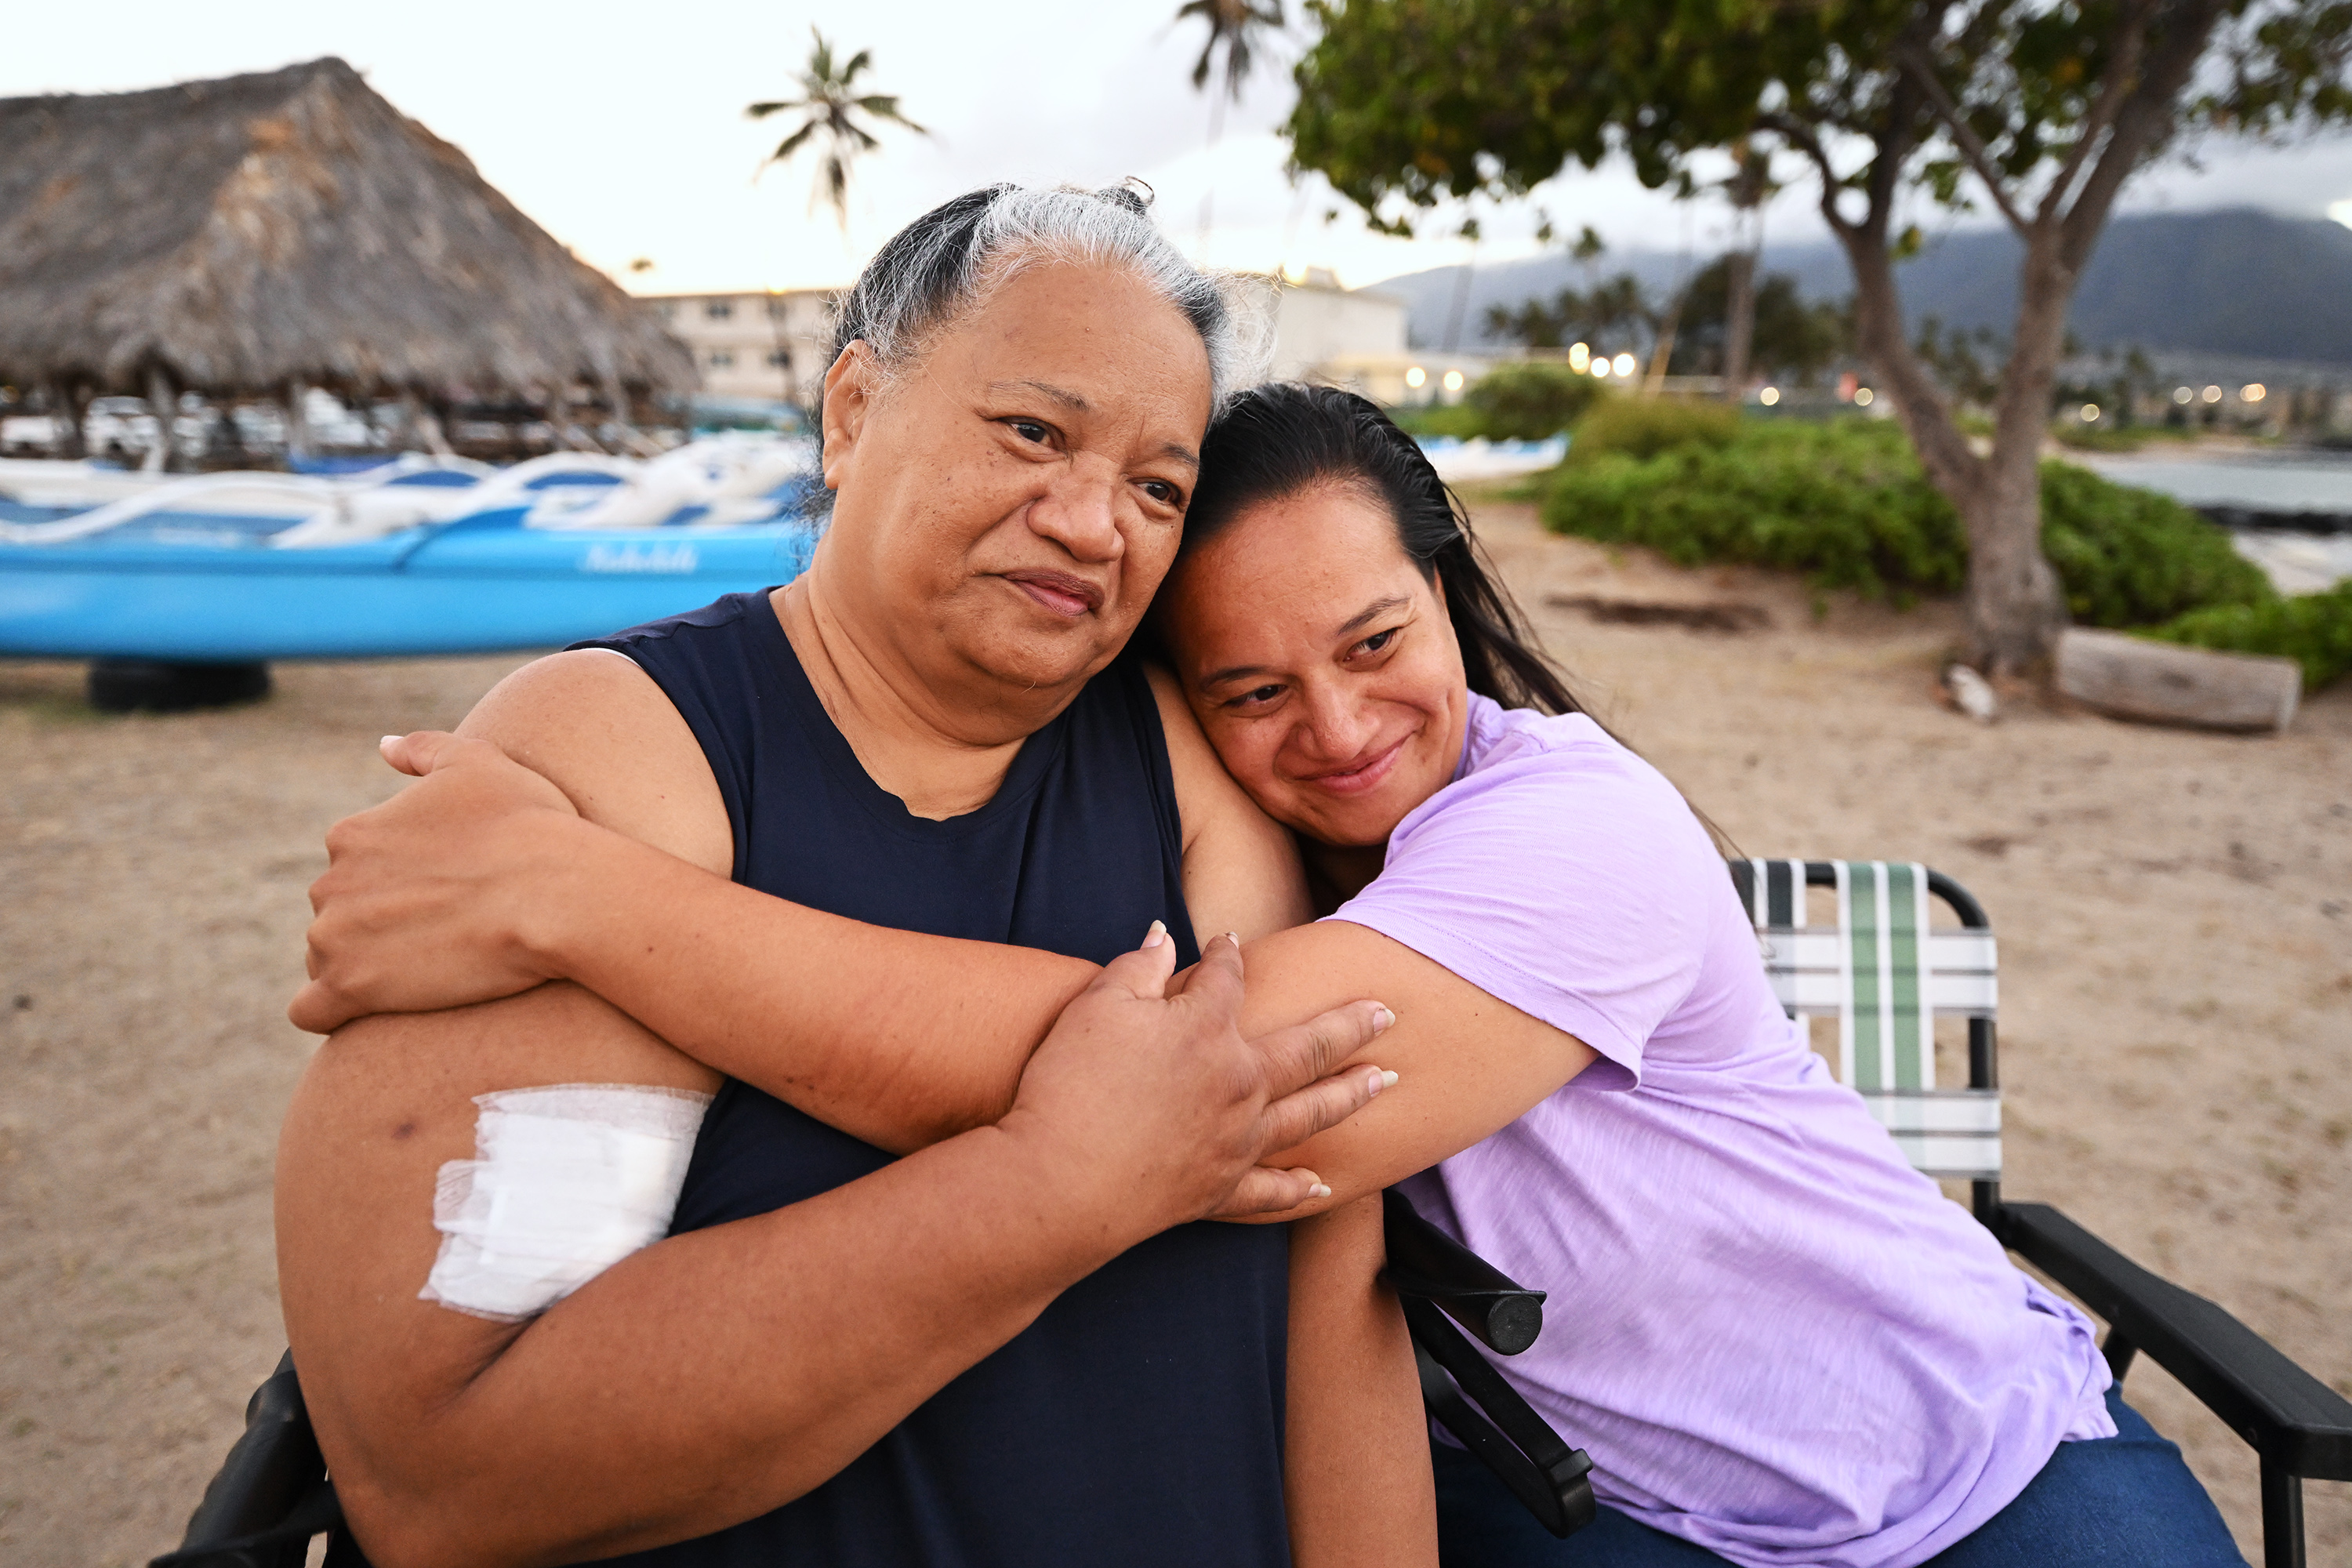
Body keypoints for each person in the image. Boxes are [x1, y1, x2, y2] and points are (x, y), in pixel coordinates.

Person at [303, 383, 2251, 1568]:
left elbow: (1203, 1090)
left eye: (1377, 638)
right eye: (1250, 686)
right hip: (1615, 1509)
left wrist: (577, 899)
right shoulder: (1243, 860)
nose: (1333, 726)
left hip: (1962, 1464)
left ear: (1452, 597)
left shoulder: (1574, 830)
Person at [274, 187, 1434, 1568]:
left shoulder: (1184, 756)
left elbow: (1327, 1261)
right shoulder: (626, 755)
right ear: (850, 412)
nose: (1092, 523)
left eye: (1157, 487)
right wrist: (1050, 1187)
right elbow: (441, 1474)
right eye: (1034, 432)